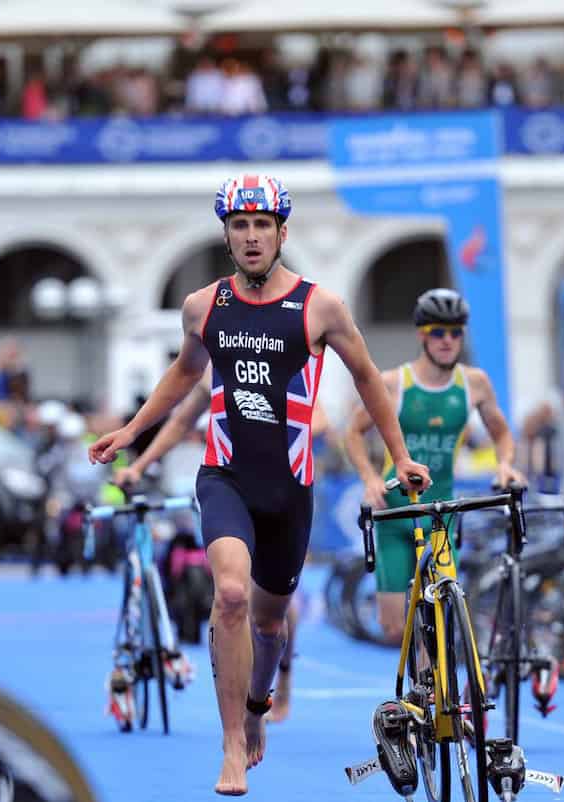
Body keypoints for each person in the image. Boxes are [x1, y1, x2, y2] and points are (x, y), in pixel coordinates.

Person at [89, 174, 431, 796]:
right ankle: (229, 746)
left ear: (281, 233)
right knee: (230, 596)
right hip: (225, 478)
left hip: (289, 491)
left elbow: (369, 381)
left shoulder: (318, 306)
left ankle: (256, 708)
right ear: (226, 235)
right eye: (239, 226)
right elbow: (183, 376)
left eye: (261, 226)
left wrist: (399, 456)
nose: (251, 237)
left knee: (271, 625)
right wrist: (130, 432)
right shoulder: (204, 306)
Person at [115, 372, 305, 724]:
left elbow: (317, 417)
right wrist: (140, 465)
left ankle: (285, 675)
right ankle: (242, 714)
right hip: (231, 495)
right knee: (234, 592)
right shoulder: (217, 364)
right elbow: (180, 418)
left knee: (275, 612)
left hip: (284, 493)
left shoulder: (292, 359)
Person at [342, 288, 526, 645]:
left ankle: (431, 693)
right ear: (421, 335)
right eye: (438, 332)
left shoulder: (474, 384)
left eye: (455, 332)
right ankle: (418, 682)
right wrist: (368, 478)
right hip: (395, 515)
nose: (447, 340)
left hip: (442, 514)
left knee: (441, 616)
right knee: (394, 626)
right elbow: (352, 431)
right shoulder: (395, 383)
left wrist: (506, 465)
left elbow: (503, 434)